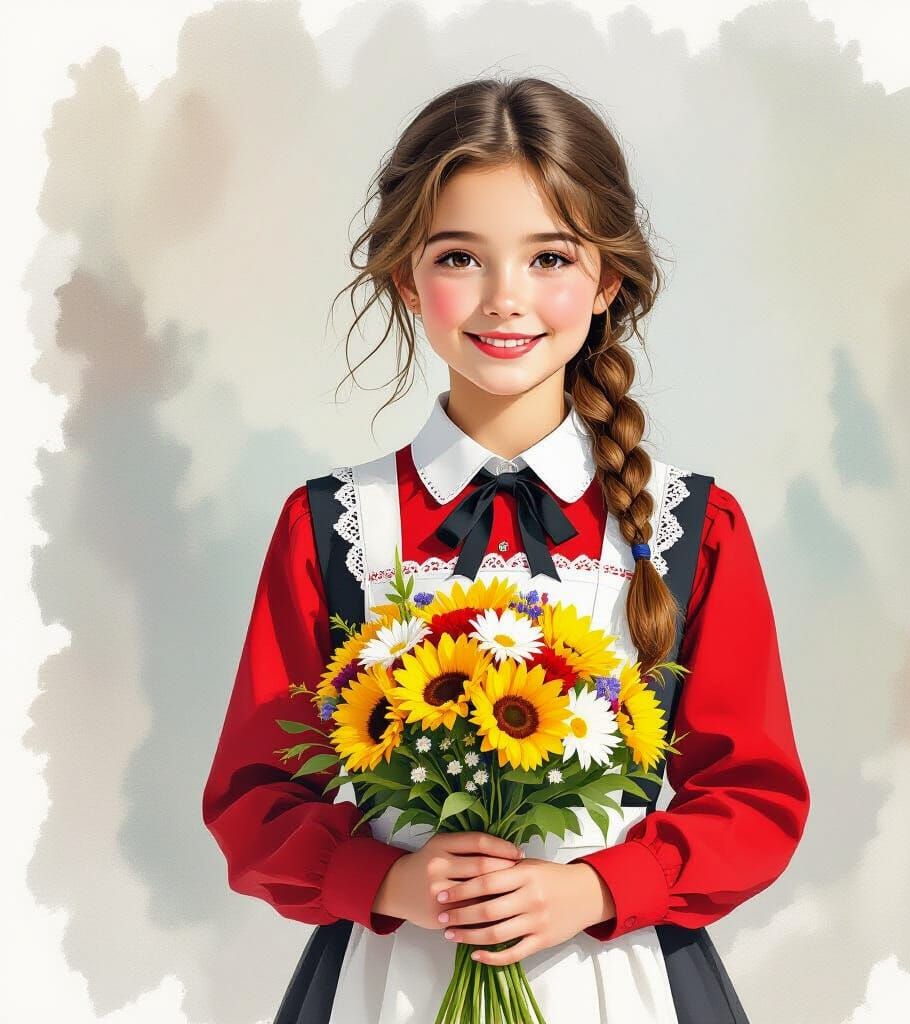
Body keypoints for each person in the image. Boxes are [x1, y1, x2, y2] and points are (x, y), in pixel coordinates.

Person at [202, 77, 811, 1023]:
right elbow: (254, 801)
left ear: (607, 279)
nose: (504, 299)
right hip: (389, 982)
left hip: (624, 983)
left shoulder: (695, 525)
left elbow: (755, 797)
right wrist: (390, 880)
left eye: (549, 257)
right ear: (408, 277)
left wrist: (596, 887)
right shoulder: (330, 525)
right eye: (460, 257)